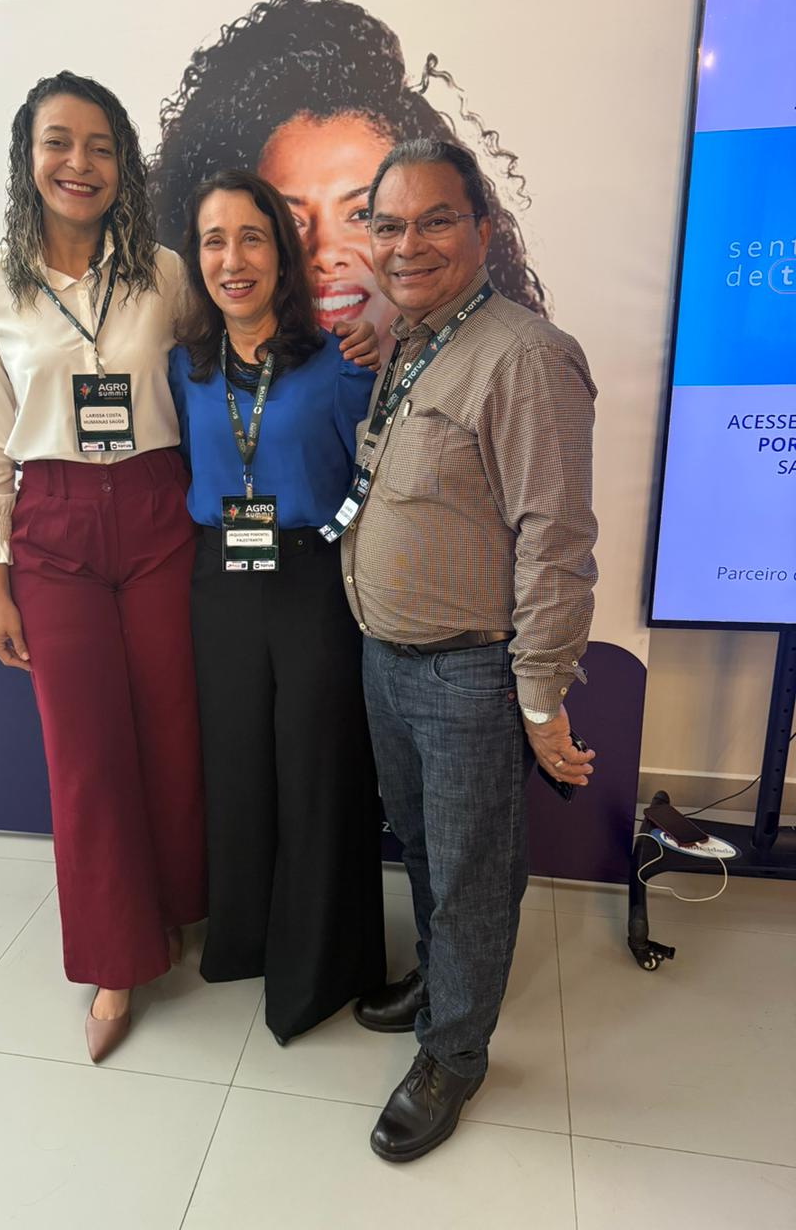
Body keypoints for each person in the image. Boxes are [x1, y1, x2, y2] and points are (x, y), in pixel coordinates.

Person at [334, 139, 598, 1162]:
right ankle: (443, 985)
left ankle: (454, 1052)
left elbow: (556, 539)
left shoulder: (525, 355)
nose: (408, 244)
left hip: (467, 672)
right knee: (419, 843)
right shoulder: (413, 339)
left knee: (473, 872)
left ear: (483, 230)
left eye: (436, 220)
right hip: (387, 657)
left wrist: (539, 699)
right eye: (388, 224)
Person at [0, 71, 206, 1063]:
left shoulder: (164, 273)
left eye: (101, 146)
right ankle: (113, 959)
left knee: (172, 728)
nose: (80, 163)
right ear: (28, 157)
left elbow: (231, 363)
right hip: (52, 525)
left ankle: (176, 906)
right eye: (59, 142)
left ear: (123, 165)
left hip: (156, 509)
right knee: (85, 752)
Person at [168, 169, 387, 1044]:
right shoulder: (183, 370)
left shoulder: (338, 363)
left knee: (315, 771)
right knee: (237, 767)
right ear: (197, 260)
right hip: (220, 580)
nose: (233, 259)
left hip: (309, 580)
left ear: (282, 255)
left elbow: (373, 476)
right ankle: (247, 938)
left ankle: (318, 968)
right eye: (214, 241)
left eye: (252, 238)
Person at [148, 0, 547, 360]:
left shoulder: (514, 359)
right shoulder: (218, 382)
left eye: (362, 214)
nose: (325, 254)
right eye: (291, 219)